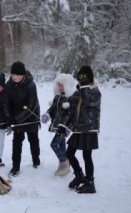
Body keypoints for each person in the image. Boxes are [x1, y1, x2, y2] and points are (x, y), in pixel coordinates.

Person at [65, 66, 101, 194]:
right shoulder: (79, 91)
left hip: (89, 128)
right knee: (69, 153)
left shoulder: (94, 91)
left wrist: (83, 87)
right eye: (80, 80)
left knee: (87, 156)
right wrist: (63, 127)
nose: (81, 82)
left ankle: (90, 183)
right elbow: (71, 110)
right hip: (78, 128)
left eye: (83, 80)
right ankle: (79, 175)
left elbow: (89, 101)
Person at [5, 61, 41, 177]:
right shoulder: (8, 85)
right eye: (15, 75)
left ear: (24, 75)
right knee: (17, 141)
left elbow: (31, 106)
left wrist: (17, 119)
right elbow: (6, 103)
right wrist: (9, 117)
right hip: (16, 117)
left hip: (31, 115)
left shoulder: (31, 85)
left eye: (20, 76)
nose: (17, 78)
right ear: (11, 74)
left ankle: (36, 159)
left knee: (33, 139)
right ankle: (15, 167)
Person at [41, 73, 76, 176]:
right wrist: (47, 115)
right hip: (57, 126)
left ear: (67, 85)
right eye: (59, 84)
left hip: (64, 128)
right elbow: (52, 109)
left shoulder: (70, 98)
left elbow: (70, 114)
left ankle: (64, 162)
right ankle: (63, 167)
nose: (60, 87)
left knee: (54, 144)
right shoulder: (57, 97)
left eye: (62, 85)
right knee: (61, 145)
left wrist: (64, 127)